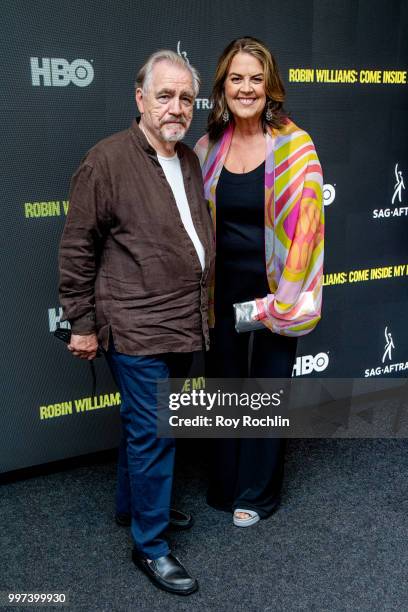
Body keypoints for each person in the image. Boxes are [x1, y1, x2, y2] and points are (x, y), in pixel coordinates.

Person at [59, 50, 214, 595]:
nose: (176, 107)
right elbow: (77, 248)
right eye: (165, 95)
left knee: (145, 430)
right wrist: (81, 322)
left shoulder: (189, 159)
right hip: (136, 325)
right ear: (140, 98)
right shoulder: (106, 161)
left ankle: (134, 509)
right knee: (154, 433)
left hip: (182, 321)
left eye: (186, 98)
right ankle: (151, 547)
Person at [195, 37, 324, 527]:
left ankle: (258, 492)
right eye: (236, 78)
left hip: (279, 287)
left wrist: (283, 299)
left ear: (270, 86)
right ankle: (225, 482)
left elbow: (308, 228)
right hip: (221, 290)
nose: (246, 88)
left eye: (255, 78)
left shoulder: (296, 144)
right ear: (222, 86)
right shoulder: (206, 148)